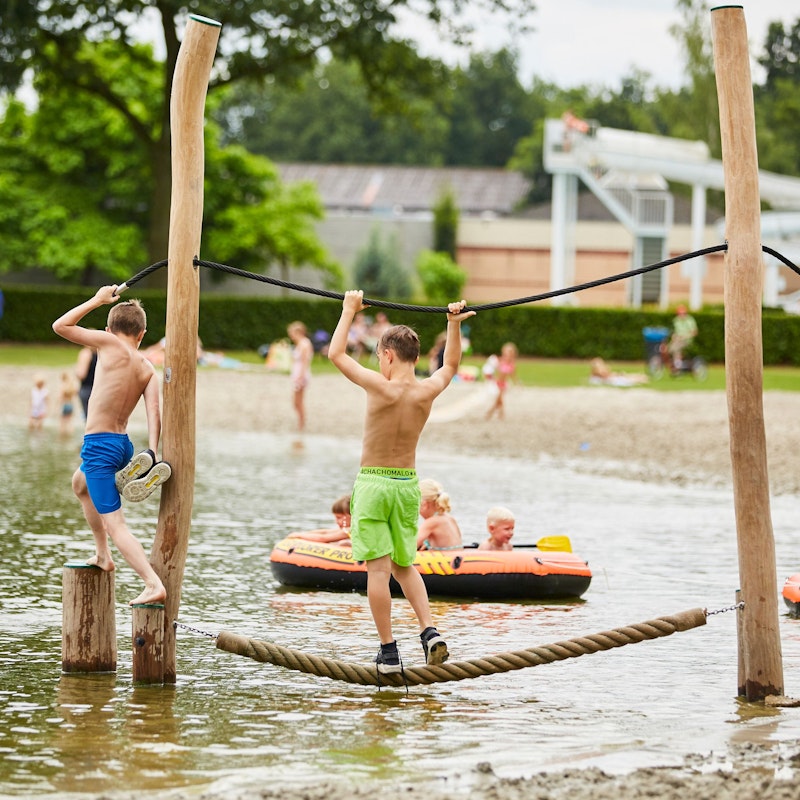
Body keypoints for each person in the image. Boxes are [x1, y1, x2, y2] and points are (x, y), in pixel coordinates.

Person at [328, 289, 475, 674]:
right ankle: (429, 632)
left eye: (379, 357)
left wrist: (348, 310)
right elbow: (450, 364)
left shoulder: (381, 387)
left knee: (378, 571)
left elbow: (336, 354)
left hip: (374, 483)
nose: (379, 364)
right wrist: (453, 324)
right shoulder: (426, 390)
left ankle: (389, 651)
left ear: (389, 355)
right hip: (408, 485)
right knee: (405, 565)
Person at [52, 285, 168, 606]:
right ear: (142, 334)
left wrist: (97, 300)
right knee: (80, 484)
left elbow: (60, 326)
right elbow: (154, 412)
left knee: (116, 524)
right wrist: (152, 451)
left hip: (99, 446)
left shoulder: (108, 343)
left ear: (108, 329)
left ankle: (152, 583)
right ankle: (103, 555)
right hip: (123, 446)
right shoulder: (147, 367)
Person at [416, 479, 462, 550]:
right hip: (457, 555)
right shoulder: (449, 518)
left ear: (424, 504)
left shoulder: (431, 522)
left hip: (448, 556)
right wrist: (426, 543)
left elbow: (409, 547)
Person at [287, 321, 313, 432]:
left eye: (292, 333)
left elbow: (304, 362)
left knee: (298, 401)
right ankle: (300, 423)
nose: (291, 336)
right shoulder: (300, 343)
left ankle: (301, 424)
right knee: (296, 402)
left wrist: (301, 377)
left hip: (301, 375)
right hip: (298, 374)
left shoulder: (304, 344)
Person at [485, 341, 518, 421]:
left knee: (499, 398)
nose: (507, 355)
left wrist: (517, 382)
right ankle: (500, 412)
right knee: (499, 399)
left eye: (510, 353)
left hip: (504, 384)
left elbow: (513, 375)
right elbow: (493, 370)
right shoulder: (500, 361)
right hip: (497, 382)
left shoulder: (512, 364)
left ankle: (491, 411)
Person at [75, 346, 97, 419]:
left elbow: (81, 374)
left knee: (89, 418)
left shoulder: (86, 353)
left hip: (87, 389)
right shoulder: (102, 354)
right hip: (100, 390)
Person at [59, 370, 79, 436]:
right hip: (71, 405)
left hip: (64, 405)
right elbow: (76, 393)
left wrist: (58, 406)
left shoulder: (63, 386)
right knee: (70, 421)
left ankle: (62, 435)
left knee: (62, 421)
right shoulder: (71, 386)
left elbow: (61, 397)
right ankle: (70, 434)